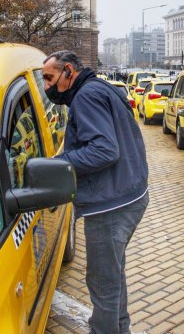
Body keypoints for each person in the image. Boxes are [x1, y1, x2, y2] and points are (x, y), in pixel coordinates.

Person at [42, 51, 149, 334]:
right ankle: (120, 328)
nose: (46, 87)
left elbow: (104, 150)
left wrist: (56, 164)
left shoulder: (85, 97)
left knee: (102, 281)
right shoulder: (101, 88)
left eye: (49, 78)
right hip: (129, 194)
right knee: (112, 275)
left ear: (68, 71)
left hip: (110, 206)